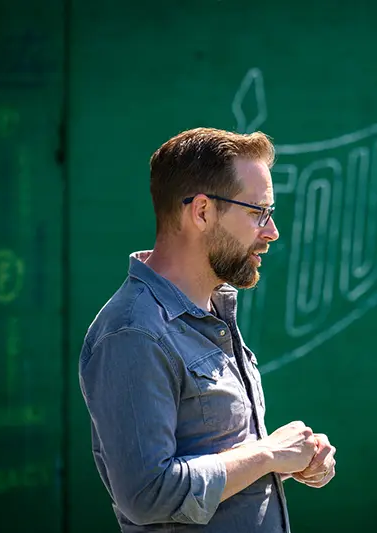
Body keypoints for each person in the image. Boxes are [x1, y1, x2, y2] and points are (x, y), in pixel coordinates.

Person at [78, 127, 337, 532]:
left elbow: (212, 459)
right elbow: (148, 494)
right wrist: (267, 455)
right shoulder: (132, 332)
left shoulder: (212, 307)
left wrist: (292, 459)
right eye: (258, 213)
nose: (272, 232)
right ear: (201, 212)